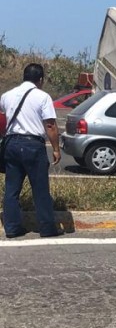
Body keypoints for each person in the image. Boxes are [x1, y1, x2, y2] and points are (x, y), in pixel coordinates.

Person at [1, 63, 63, 238]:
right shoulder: (42, 97)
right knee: (40, 189)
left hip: (12, 144)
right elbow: (50, 125)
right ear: (40, 80)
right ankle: (47, 228)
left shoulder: (7, 96)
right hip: (33, 145)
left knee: (12, 189)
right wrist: (56, 149)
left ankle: (12, 228)